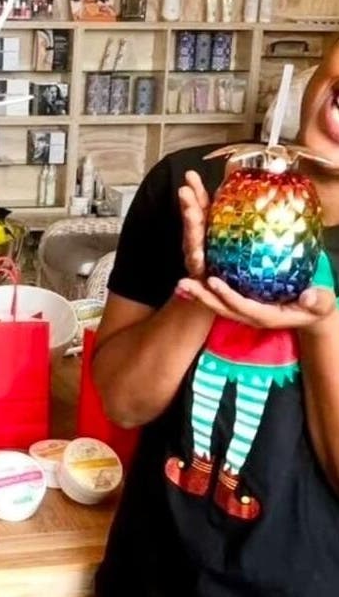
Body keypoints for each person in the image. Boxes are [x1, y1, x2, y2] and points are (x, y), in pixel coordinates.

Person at [92, 38, 339, 596]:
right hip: (150, 575)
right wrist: (203, 287)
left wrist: (322, 328)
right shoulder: (188, 184)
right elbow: (123, 403)